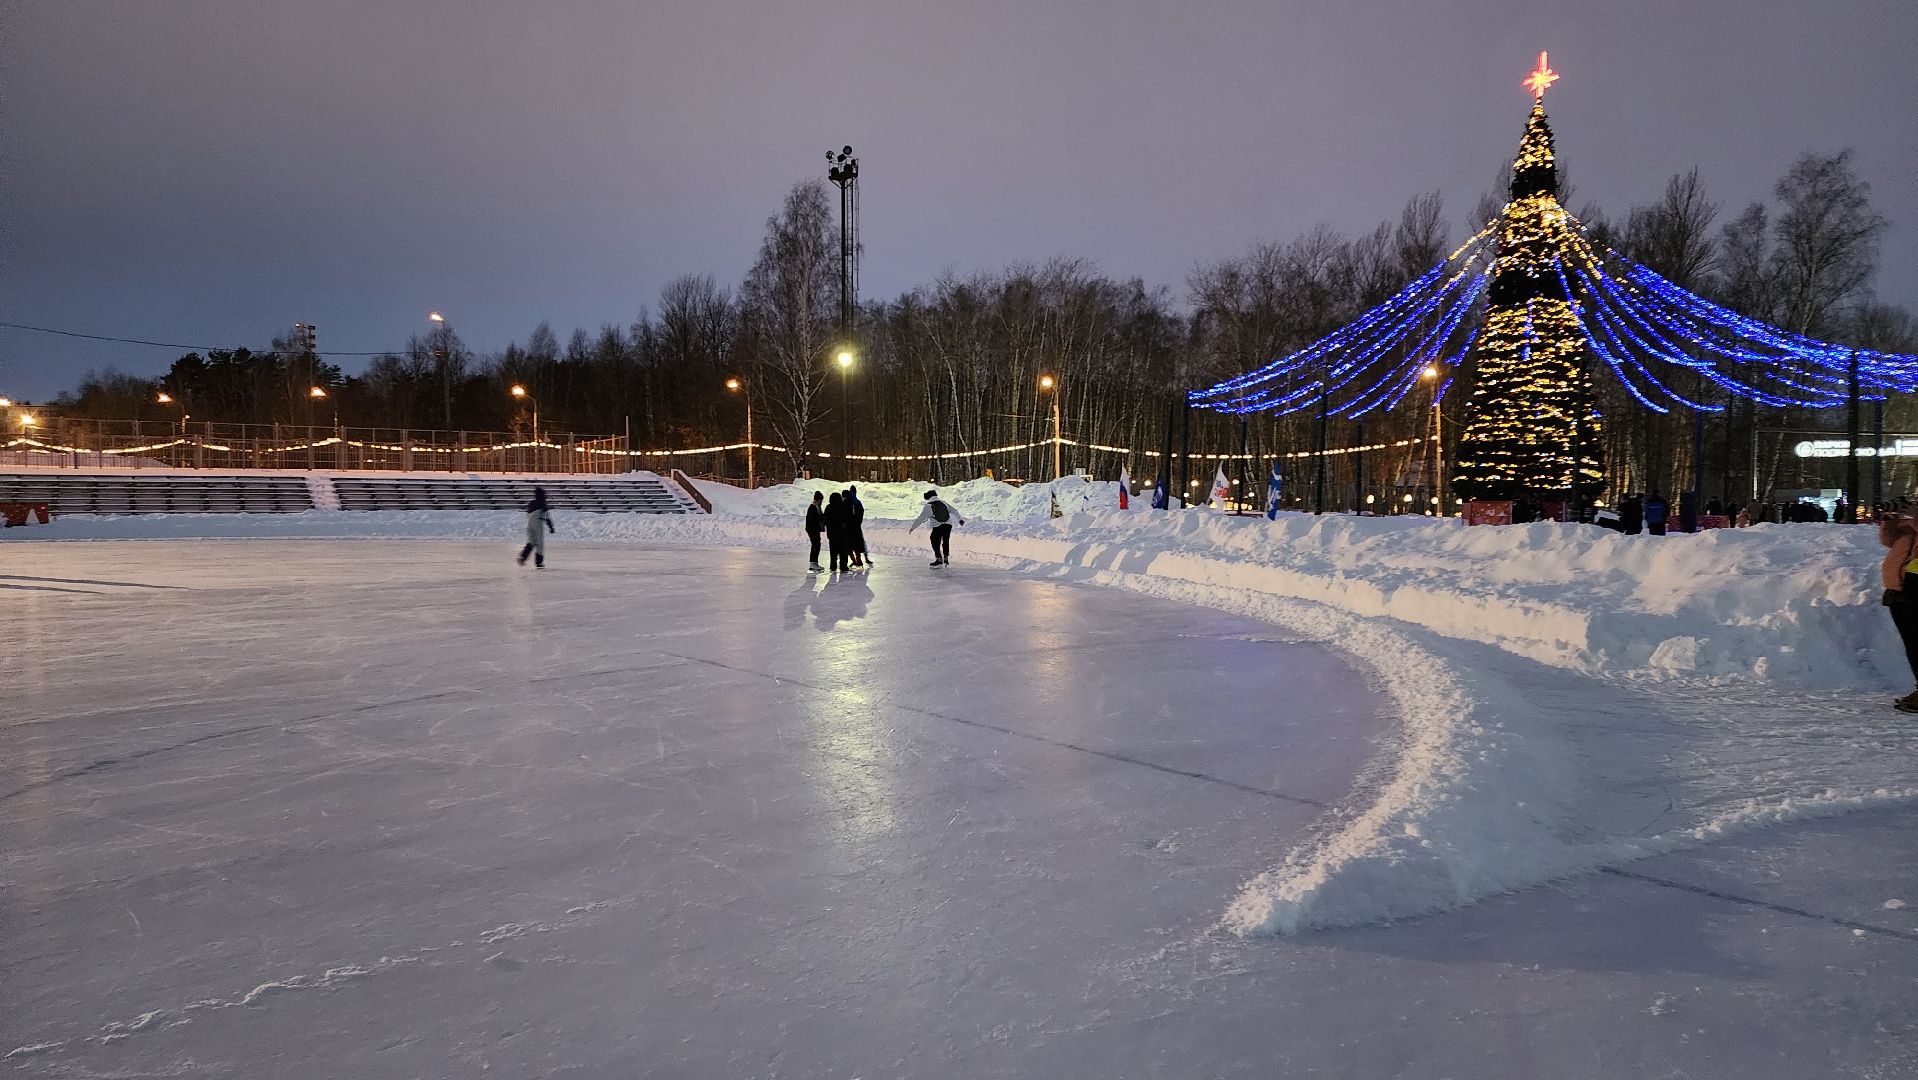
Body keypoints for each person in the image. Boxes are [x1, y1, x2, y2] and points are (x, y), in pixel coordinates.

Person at [1878, 507, 1918, 712]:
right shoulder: (1908, 526)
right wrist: (1889, 519)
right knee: (1911, 642)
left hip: (1914, 588)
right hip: (1899, 588)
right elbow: (1888, 540)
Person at [909, 489, 966, 566]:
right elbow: (954, 510)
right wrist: (959, 519)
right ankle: (946, 558)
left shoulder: (929, 506)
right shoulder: (944, 503)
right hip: (948, 525)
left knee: (934, 540)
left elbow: (921, 518)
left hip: (937, 525)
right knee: (945, 541)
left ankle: (939, 559)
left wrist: (913, 527)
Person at [517, 486, 555, 568]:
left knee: (531, 541)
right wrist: (551, 527)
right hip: (538, 523)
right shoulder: (543, 504)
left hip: (529, 524)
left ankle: (523, 557)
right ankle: (539, 562)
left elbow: (528, 513)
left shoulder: (531, 503)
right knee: (539, 543)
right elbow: (547, 517)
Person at [824, 491, 852, 573]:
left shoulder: (828, 507)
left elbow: (825, 520)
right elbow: (848, 518)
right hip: (842, 533)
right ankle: (843, 566)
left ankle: (833, 566)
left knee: (833, 551)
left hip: (831, 534)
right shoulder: (844, 506)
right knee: (843, 551)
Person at [845, 485, 870, 568]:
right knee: (859, 543)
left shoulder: (846, 501)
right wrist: (858, 523)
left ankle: (854, 560)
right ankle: (863, 559)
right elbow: (861, 512)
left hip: (848, 527)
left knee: (848, 545)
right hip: (856, 527)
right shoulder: (857, 502)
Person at [804, 490, 826, 573]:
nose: (821, 502)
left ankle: (814, 563)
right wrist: (821, 518)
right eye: (821, 500)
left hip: (814, 529)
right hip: (812, 529)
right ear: (818, 500)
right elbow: (813, 519)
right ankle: (813, 564)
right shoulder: (813, 507)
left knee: (816, 545)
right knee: (815, 545)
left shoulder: (816, 507)